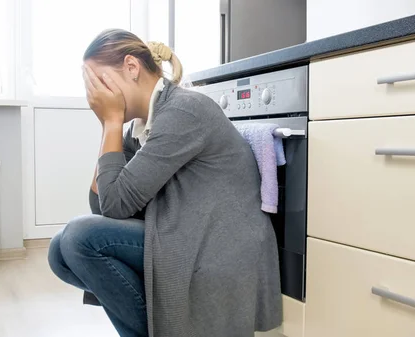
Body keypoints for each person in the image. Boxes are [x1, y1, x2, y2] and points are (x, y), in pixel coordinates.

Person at [48, 28, 282, 337]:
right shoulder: (142, 125)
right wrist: (111, 128)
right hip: (179, 232)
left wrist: (111, 122)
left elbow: (115, 206)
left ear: (132, 67)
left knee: (79, 237)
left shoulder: (184, 110)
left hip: (217, 246)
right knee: (60, 253)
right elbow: (103, 205)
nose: (95, 96)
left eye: (98, 82)